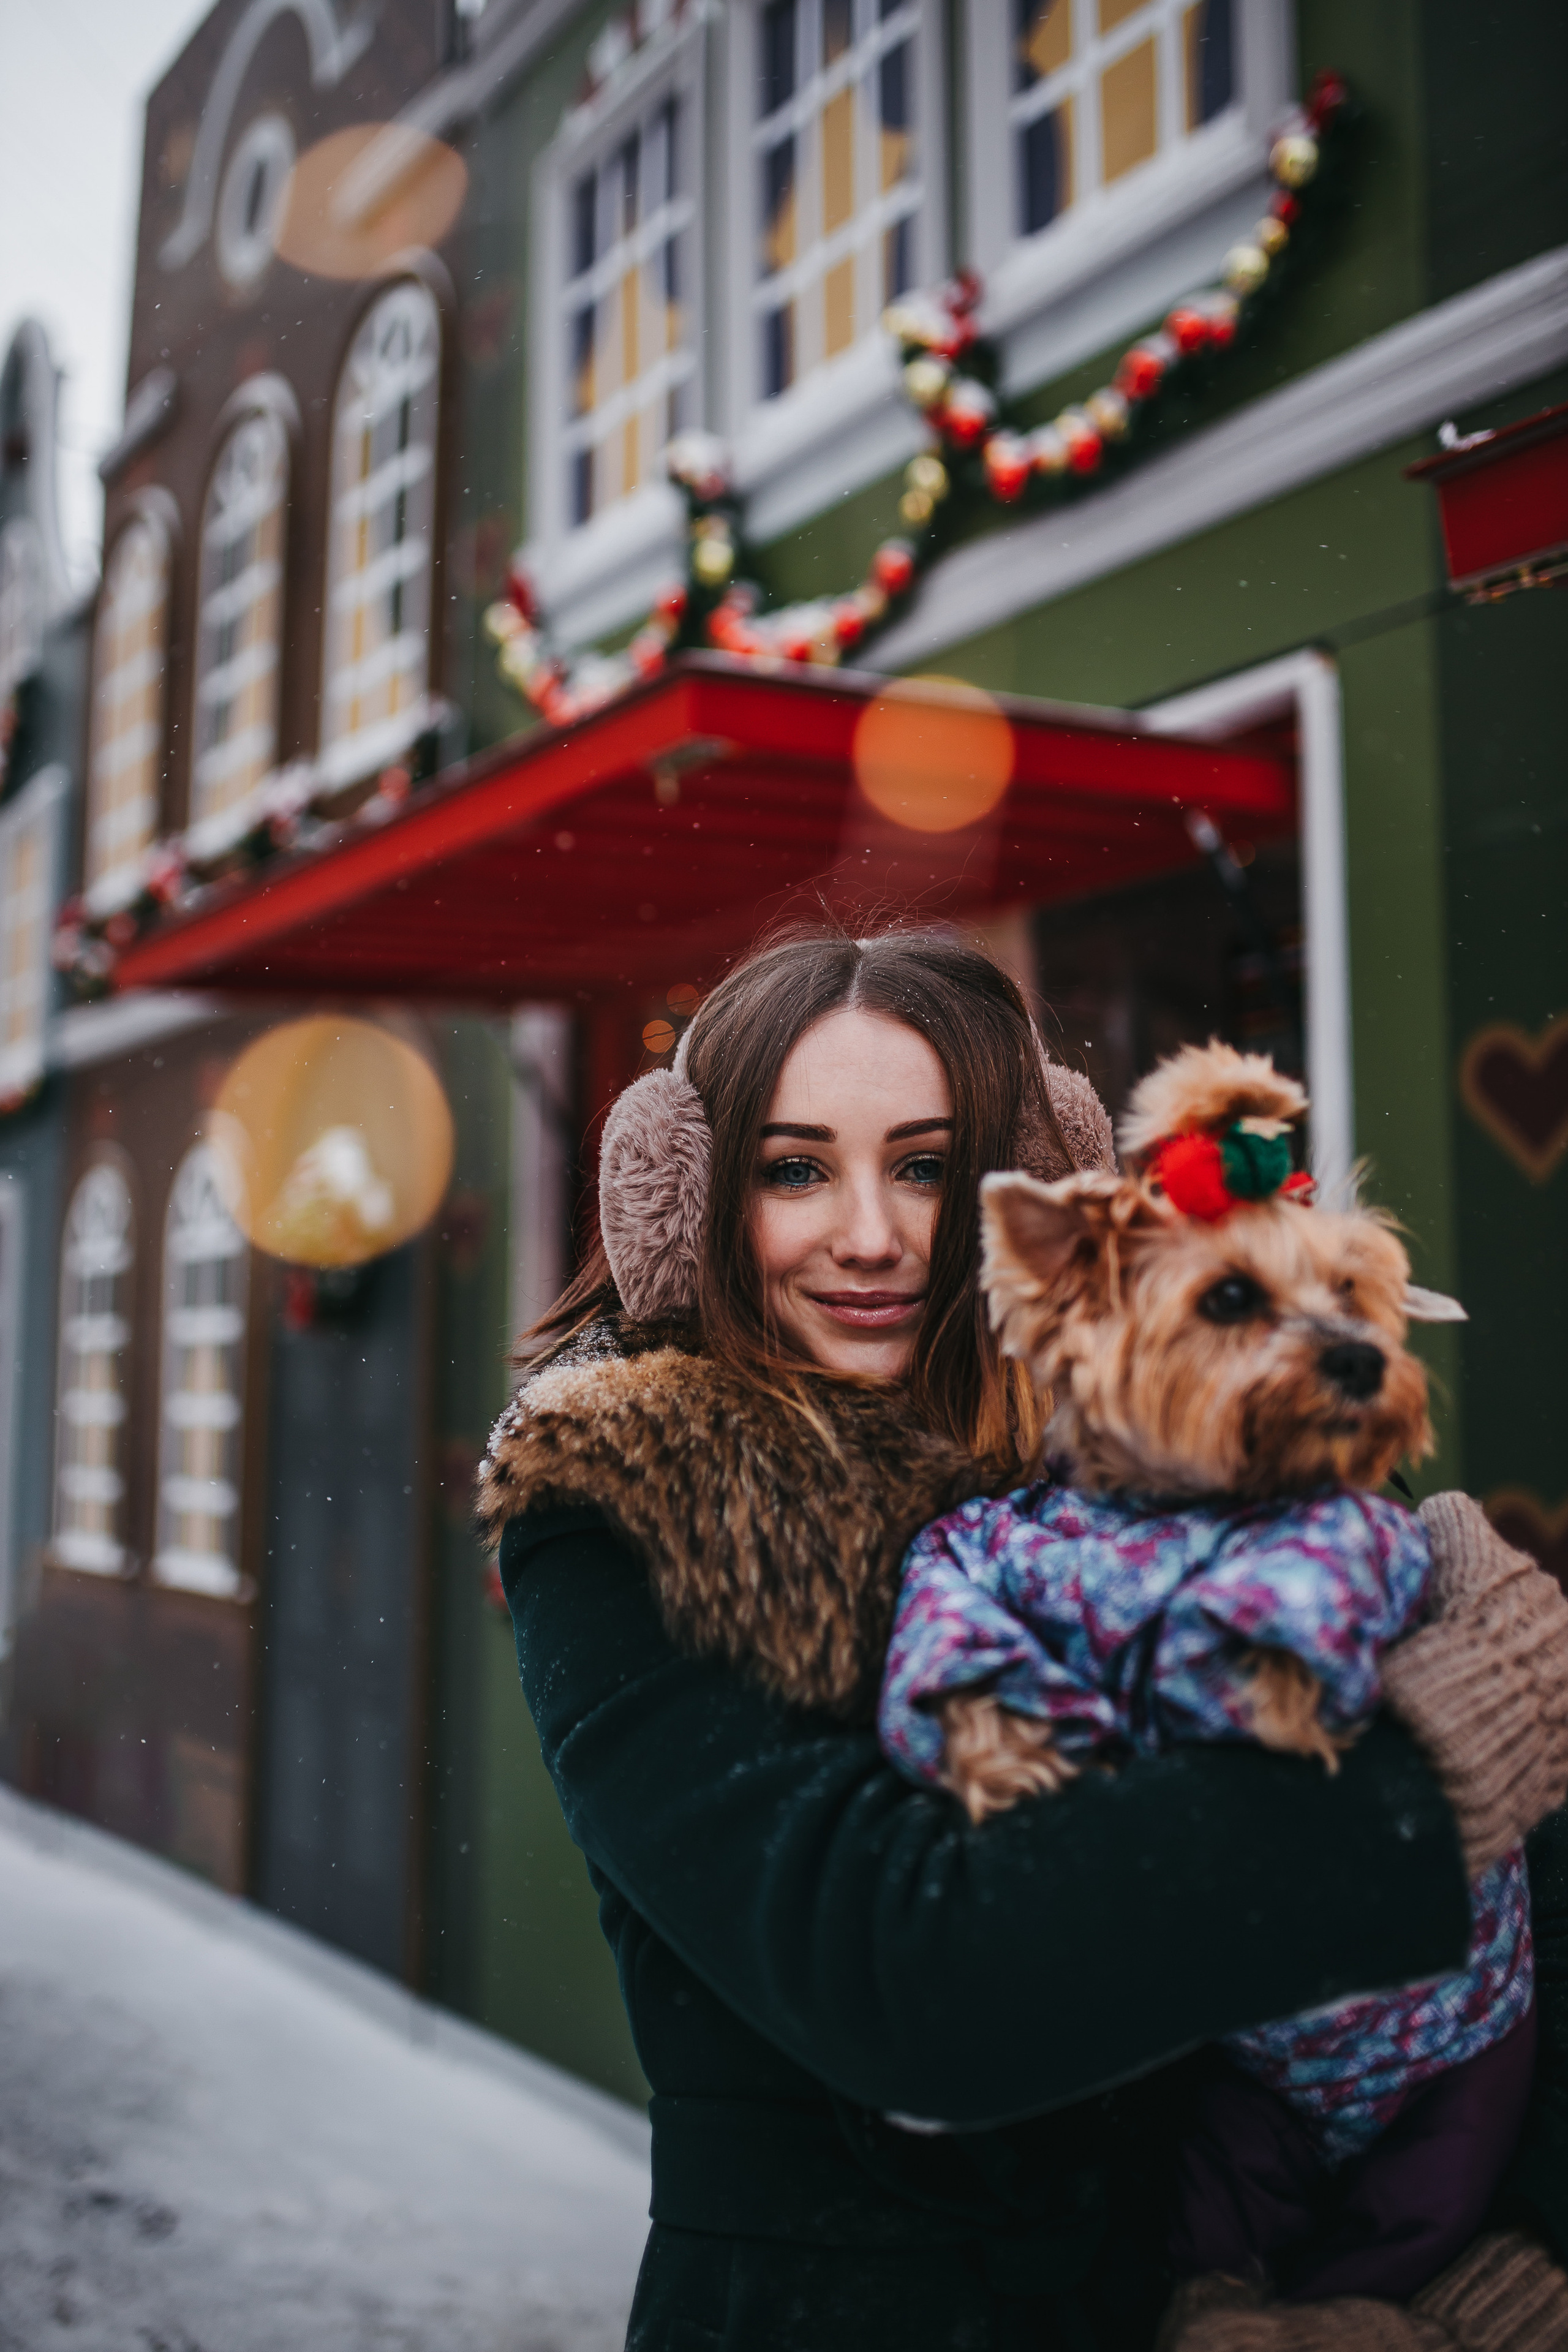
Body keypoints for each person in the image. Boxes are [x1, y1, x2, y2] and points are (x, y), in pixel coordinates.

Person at [477, 927, 1568, 2352]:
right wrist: (1431, 1761)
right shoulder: (622, 1514)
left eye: (926, 1167)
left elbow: (1522, 1920)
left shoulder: (1175, 1441)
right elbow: (919, 1988)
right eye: (792, 1168)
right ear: (685, 1198)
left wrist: (1503, 2270)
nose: (868, 1234)